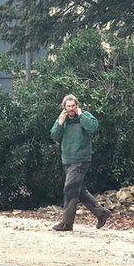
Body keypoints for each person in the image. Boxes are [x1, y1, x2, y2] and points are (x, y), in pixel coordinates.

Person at [49, 94, 112, 231]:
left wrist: (81, 115)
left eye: (73, 106)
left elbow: (93, 128)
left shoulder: (85, 116)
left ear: (77, 105)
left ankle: (67, 223)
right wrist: (59, 122)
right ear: (64, 107)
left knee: (70, 189)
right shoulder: (62, 119)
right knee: (79, 191)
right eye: (68, 106)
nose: (71, 109)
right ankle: (101, 213)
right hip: (67, 160)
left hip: (81, 160)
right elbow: (54, 136)